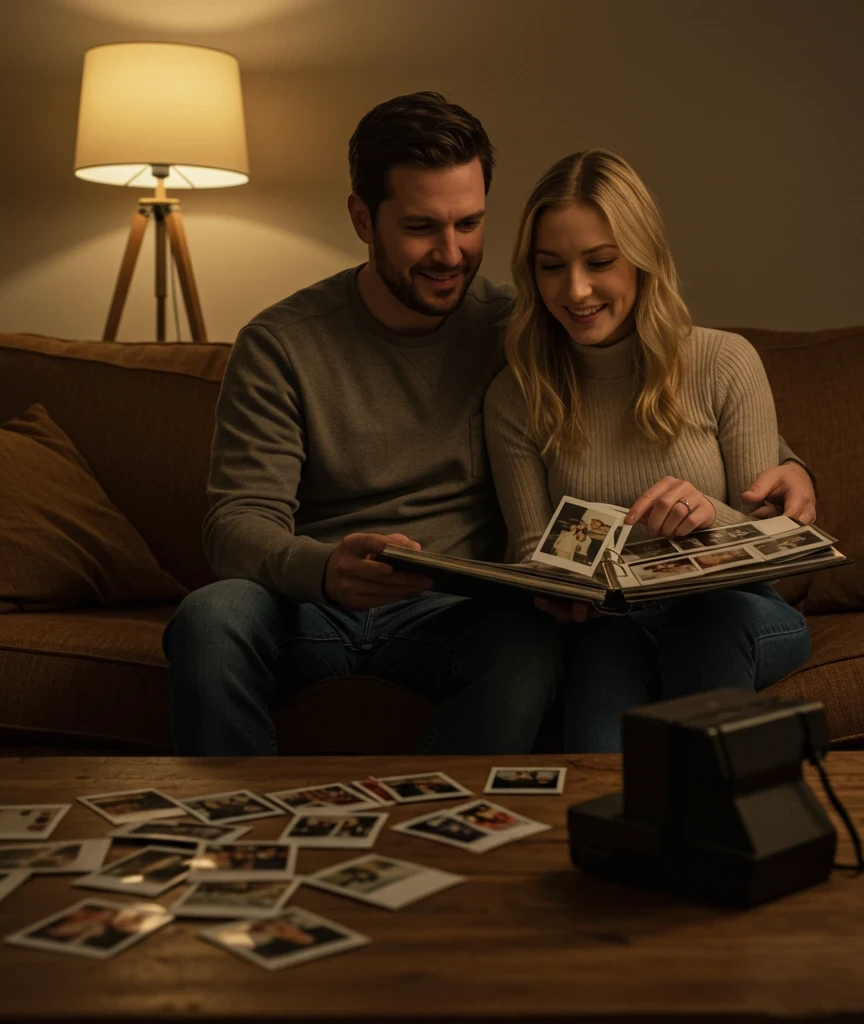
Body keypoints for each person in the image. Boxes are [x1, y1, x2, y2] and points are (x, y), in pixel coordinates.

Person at [163, 92, 815, 757]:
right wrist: (323, 568)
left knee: (530, 646)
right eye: (421, 227)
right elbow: (236, 522)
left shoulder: (524, 329)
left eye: (469, 223)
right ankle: (229, 817)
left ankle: (449, 817)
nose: (450, 254)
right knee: (211, 617)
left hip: (457, 611)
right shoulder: (281, 344)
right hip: (310, 605)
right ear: (363, 219)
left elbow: (663, 394)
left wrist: (789, 466)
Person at [483, 149, 813, 753]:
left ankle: (714, 807)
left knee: (707, 626)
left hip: (734, 611)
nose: (575, 290)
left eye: (600, 262)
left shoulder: (723, 361)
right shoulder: (517, 394)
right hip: (611, 626)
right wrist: (557, 589)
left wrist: (711, 518)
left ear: (643, 259)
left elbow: (776, 554)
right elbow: (532, 551)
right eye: (551, 266)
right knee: (599, 698)